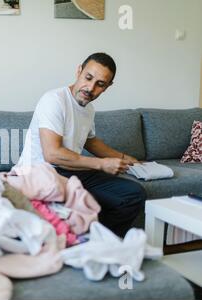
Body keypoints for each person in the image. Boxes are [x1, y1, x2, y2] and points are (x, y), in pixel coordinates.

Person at [17, 52, 146, 237]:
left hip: (70, 170)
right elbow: (52, 154)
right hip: (42, 171)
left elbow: (90, 141)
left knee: (133, 194)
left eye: (100, 84)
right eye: (88, 77)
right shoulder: (54, 100)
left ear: (107, 87)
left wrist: (125, 159)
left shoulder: (88, 108)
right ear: (79, 71)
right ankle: (92, 240)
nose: (90, 88)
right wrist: (102, 164)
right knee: (85, 200)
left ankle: (101, 240)